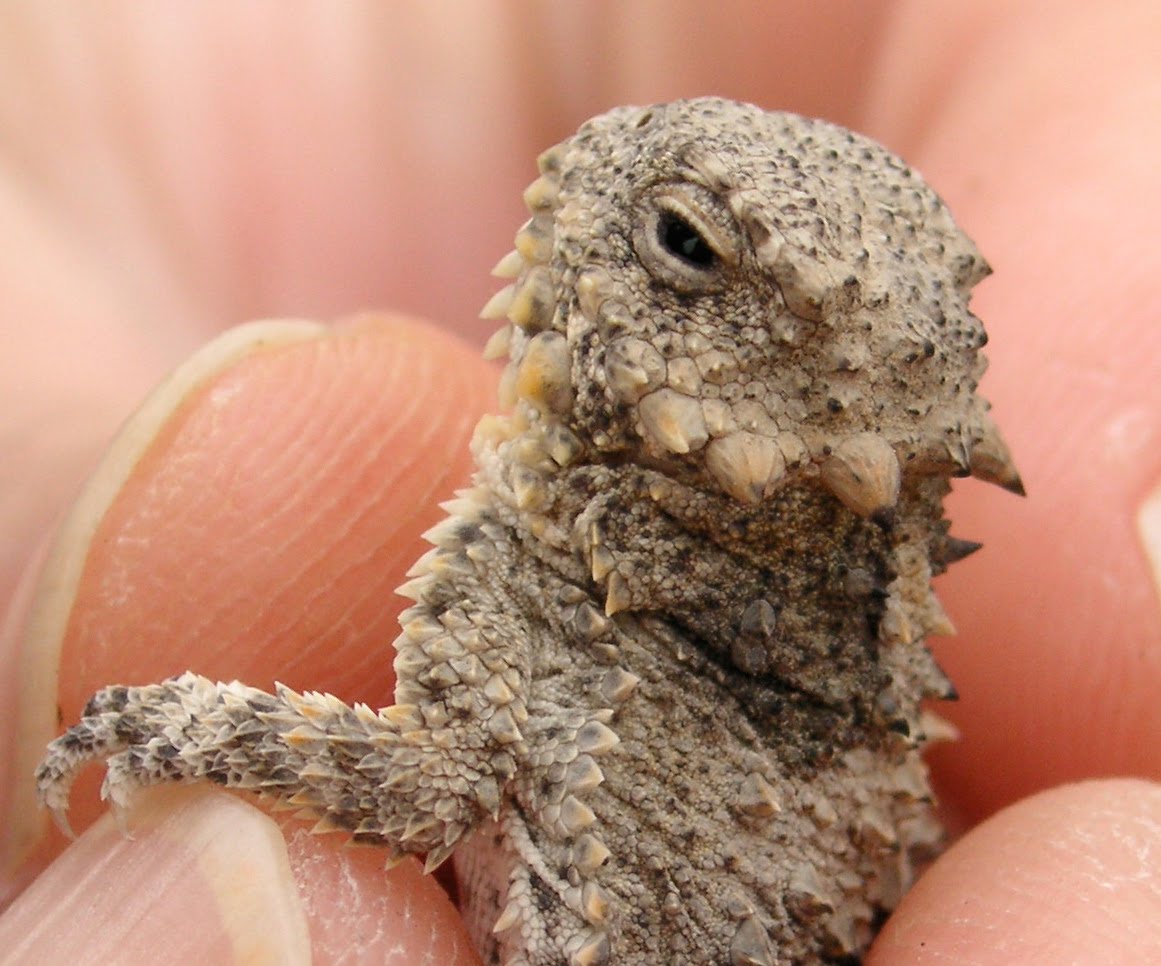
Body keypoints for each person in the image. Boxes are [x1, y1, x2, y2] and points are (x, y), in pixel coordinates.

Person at [1, 4, 1158, 962]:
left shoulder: (579, 605)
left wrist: (204, 727)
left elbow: (427, 785)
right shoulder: (857, 741)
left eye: (681, 245)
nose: (584, 155)